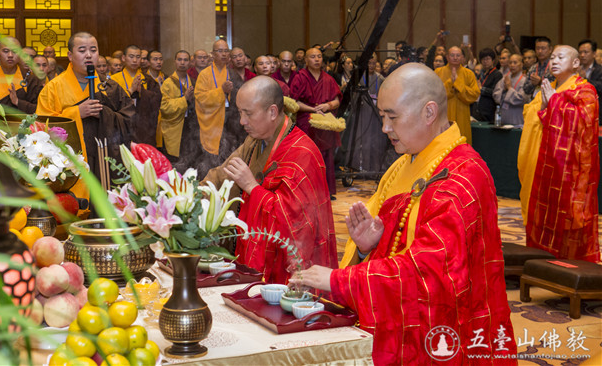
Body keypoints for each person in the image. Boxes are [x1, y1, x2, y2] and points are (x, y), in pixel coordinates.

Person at [290, 63, 515, 364]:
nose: (384, 128)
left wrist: (339, 281)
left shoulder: (462, 177)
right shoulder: (406, 163)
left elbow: (429, 270)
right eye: (382, 117)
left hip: (446, 330)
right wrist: (369, 247)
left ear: (429, 113)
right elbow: (399, 245)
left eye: (391, 117)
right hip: (405, 320)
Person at [204, 76, 338, 283]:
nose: (242, 121)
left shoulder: (302, 153)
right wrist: (184, 196)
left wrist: (251, 187)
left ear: (273, 112)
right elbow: (222, 175)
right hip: (256, 253)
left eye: (248, 113)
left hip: (289, 270)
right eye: (240, 112)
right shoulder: (255, 141)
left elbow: (296, 225)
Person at [518, 45, 599, 262]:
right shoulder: (548, 88)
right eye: (552, 57)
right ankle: (542, 266)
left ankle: (569, 272)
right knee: (544, 217)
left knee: (569, 220)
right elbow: (537, 118)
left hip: (571, 172)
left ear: (575, 63)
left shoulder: (585, 90)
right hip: (545, 167)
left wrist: (554, 102)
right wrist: (547, 106)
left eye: (560, 57)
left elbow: (584, 125)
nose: (554, 61)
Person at [36, 32, 135, 199]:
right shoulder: (53, 88)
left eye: (93, 50)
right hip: (71, 167)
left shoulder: (109, 87)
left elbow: (129, 120)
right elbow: (41, 128)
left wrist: (106, 115)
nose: (89, 55)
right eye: (82, 50)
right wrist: (76, 113)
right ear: (70, 55)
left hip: (106, 161)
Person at [290, 47, 342, 199]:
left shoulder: (328, 79)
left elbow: (337, 100)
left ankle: (325, 190)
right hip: (306, 121)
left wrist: (328, 106)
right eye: (313, 57)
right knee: (307, 156)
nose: (317, 59)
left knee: (326, 156)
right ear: (306, 60)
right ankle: (306, 190)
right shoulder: (300, 77)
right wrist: (312, 109)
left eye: (319, 56)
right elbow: (294, 102)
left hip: (325, 121)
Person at [195, 39, 247, 177]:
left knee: (231, 155)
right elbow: (200, 98)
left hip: (231, 121)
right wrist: (221, 91)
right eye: (220, 51)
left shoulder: (233, 73)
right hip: (213, 122)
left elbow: (241, 95)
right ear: (212, 54)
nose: (224, 54)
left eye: (226, 51)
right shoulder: (204, 75)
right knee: (211, 161)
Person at [111, 45, 162, 146]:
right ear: (123, 58)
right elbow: (112, 102)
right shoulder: (114, 80)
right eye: (131, 56)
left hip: (143, 128)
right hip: (122, 127)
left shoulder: (148, 80)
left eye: (138, 57)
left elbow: (157, 101)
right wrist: (130, 91)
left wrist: (142, 92)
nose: (135, 60)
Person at [0, 37, 40, 113]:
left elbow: (38, 109)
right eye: (6, 51)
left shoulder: (30, 78)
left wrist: (18, 102)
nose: (10, 55)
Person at [434, 46, 480, 143]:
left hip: (462, 114)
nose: (455, 58)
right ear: (447, 57)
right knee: (442, 143)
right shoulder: (438, 72)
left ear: (463, 57)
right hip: (444, 114)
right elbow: (434, 93)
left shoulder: (469, 74)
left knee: (461, 142)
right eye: (452, 55)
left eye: (458, 55)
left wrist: (458, 84)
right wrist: (450, 83)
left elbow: (475, 94)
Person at [160, 50, 198, 161]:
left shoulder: (194, 81)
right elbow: (164, 107)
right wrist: (184, 99)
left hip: (191, 125)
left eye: (185, 60)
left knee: (192, 159)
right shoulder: (168, 83)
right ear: (175, 62)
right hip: (175, 126)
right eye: (179, 59)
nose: (182, 62)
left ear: (190, 63)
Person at [493, 53, 528, 126]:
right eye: (510, 63)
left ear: (521, 64)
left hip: (517, 119)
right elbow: (495, 95)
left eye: (515, 62)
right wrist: (504, 91)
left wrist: (509, 88)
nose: (512, 65)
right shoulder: (505, 79)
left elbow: (522, 99)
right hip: (503, 118)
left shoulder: (525, 81)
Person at [474, 48, 502, 123]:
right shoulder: (481, 73)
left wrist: (481, 89)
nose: (485, 61)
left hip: (489, 111)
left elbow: (495, 93)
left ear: (493, 60)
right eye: (483, 59)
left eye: (487, 59)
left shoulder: (497, 74)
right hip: (478, 109)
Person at [577, 39, 602, 122]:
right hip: (578, 111)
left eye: (585, 52)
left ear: (594, 54)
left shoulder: (600, 70)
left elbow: (600, 87)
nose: (582, 55)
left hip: (596, 111)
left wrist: (585, 80)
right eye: (580, 52)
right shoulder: (575, 69)